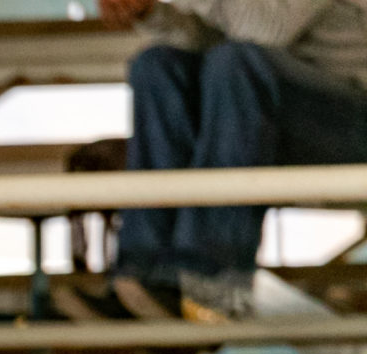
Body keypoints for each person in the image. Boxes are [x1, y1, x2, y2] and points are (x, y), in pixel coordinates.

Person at [90, 0, 367, 321]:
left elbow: (266, 29)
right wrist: (151, 13)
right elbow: (210, 40)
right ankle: (143, 279)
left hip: (354, 122)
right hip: (272, 108)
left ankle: (210, 277)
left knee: (237, 63)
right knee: (156, 65)